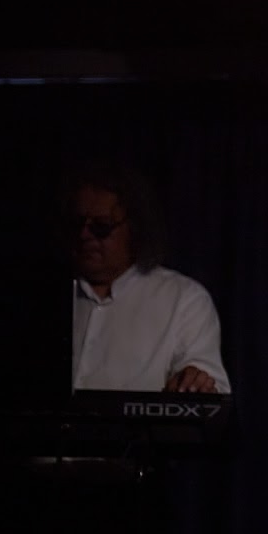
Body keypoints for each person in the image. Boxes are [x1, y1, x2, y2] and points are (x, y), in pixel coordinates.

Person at [69, 164, 229, 394]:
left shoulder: (183, 299)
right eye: (77, 224)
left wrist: (194, 382)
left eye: (101, 226)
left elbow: (209, 391)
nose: (84, 235)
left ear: (134, 228)